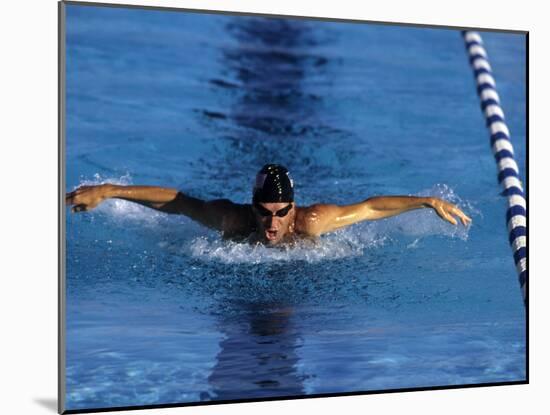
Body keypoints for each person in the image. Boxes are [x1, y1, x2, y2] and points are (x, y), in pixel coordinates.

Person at [65, 164, 471, 245]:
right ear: (252, 207)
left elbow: (370, 208)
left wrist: (426, 201)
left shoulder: (311, 223)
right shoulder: (233, 220)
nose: (272, 223)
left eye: (281, 213)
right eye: (264, 213)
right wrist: (111, 190)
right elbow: (178, 202)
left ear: (293, 208)